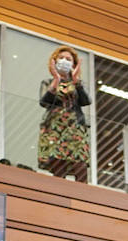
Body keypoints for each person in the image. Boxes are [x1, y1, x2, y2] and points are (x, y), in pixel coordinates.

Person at [39, 46, 92, 182]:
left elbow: (86, 101)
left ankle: (82, 198)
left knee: (80, 164)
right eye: (61, 58)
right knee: (58, 164)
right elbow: (44, 102)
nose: (64, 61)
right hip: (55, 128)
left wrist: (76, 81)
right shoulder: (48, 82)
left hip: (75, 128)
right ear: (54, 62)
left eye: (68, 59)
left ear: (74, 65)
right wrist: (56, 80)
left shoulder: (78, 83)